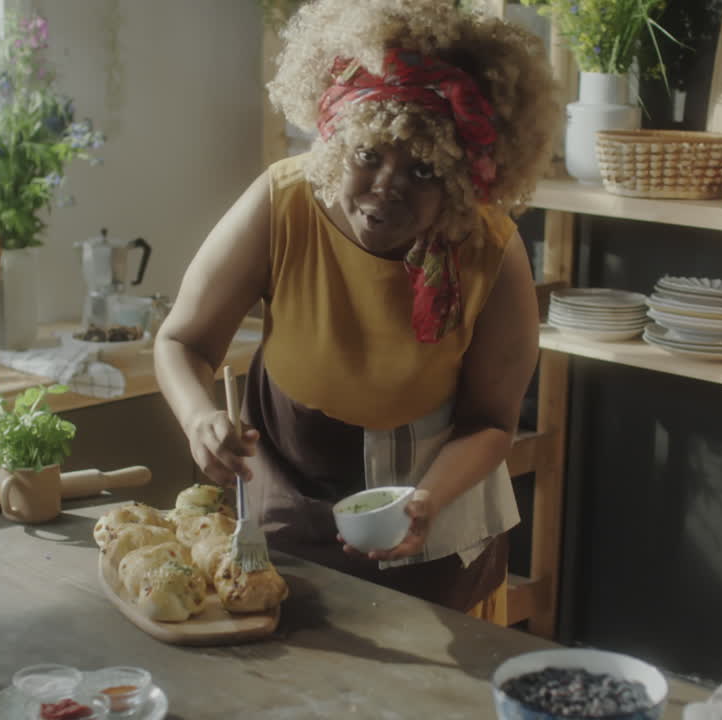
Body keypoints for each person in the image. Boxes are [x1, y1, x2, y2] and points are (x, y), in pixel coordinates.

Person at [154, 0, 560, 613]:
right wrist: (196, 420)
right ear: (338, 141)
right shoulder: (283, 203)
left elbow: (492, 422)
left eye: (423, 170)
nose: (385, 187)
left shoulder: (491, 253)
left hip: (436, 513)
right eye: (369, 156)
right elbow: (182, 341)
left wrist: (425, 500)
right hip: (284, 485)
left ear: (461, 181)